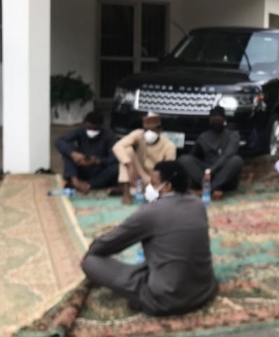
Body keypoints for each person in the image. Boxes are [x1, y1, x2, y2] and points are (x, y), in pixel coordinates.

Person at [81, 161, 219, 316]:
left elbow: (109, 243)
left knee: (90, 262)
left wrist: (90, 252)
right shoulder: (198, 204)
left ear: (167, 187)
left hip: (165, 299)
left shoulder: (151, 212)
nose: (149, 187)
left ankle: (145, 296)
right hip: (203, 291)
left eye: (153, 183)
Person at [178, 106, 243, 200]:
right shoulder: (203, 137)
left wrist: (211, 170)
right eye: (214, 120)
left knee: (236, 160)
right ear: (209, 121)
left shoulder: (233, 135)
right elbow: (192, 156)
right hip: (205, 175)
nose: (216, 122)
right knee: (184, 159)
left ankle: (209, 189)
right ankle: (211, 189)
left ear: (224, 120)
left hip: (224, 173)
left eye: (218, 119)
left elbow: (228, 155)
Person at [113, 112, 177, 205]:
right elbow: (117, 146)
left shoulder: (169, 146)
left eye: (153, 130)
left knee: (155, 193)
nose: (149, 133)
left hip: (155, 178)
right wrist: (129, 165)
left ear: (159, 130)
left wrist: (155, 183)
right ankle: (126, 193)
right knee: (126, 151)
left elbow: (169, 171)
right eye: (146, 130)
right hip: (138, 174)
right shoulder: (139, 134)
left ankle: (131, 190)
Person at [54, 111, 119, 193]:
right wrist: (74, 154)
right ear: (85, 124)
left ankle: (89, 185)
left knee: (117, 167)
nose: (92, 131)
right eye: (89, 128)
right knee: (67, 151)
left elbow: (114, 157)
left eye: (95, 129)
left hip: (99, 170)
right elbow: (60, 141)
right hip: (81, 166)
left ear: (101, 127)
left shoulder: (109, 135)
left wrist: (97, 161)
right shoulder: (80, 130)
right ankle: (75, 181)